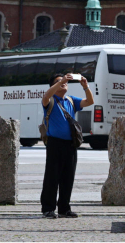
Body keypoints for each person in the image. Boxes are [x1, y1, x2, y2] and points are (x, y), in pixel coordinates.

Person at [40, 73, 94, 219]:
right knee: (52, 177)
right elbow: (45, 96)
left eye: (65, 82)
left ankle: (64, 208)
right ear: (53, 86)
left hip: (70, 144)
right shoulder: (50, 100)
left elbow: (89, 101)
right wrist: (61, 81)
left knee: (67, 177)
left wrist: (86, 87)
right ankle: (48, 208)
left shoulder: (71, 100)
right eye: (58, 82)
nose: (64, 83)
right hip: (54, 143)